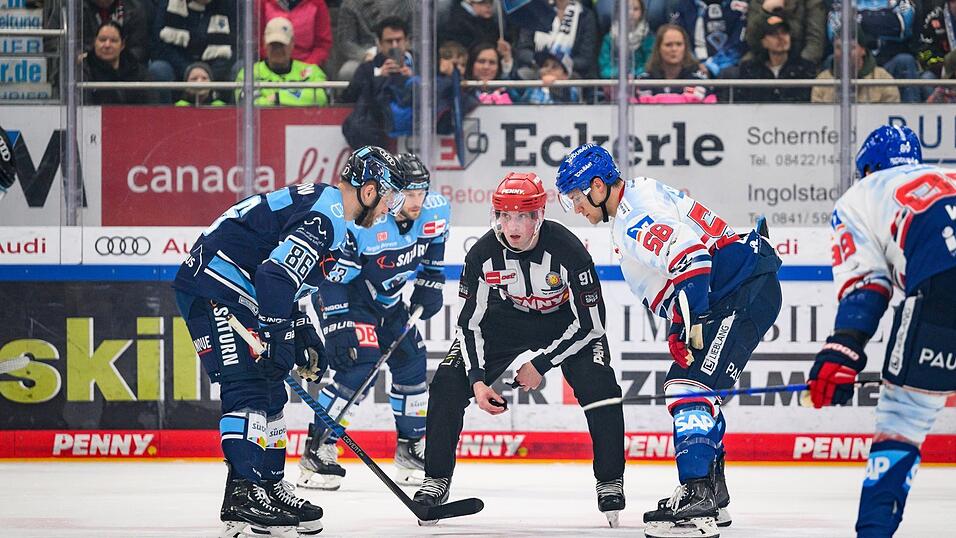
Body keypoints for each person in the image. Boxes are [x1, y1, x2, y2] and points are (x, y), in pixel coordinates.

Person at [172, 146, 408, 537]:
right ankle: (243, 492)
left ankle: (266, 485)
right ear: (369, 191)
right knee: (248, 384)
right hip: (216, 285)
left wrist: (301, 329)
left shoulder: (333, 212)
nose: (390, 209)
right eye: (390, 198)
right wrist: (281, 336)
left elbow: (284, 277)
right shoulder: (328, 215)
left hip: (238, 286)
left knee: (270, 390)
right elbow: (273, 277)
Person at [555, 143, 782, 538]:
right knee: (698, 389)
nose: (576, 206)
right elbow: (683, 266)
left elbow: (691, 257)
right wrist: (681, 323)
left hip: (738, 292)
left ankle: (698, 497)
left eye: (576, 196)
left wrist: (689, 321)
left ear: (597, 185)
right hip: (741, 289)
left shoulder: (632, 217)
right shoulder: (640, 195)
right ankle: (712, 492)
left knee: (686, 387)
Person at [412, 173, 627, 528]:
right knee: (448, 383)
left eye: (523, 216)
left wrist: (540, 364)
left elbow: (592, 325)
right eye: (505, 215)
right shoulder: (482, 254)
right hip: (507, 318)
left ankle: (609, 480)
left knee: (599, 386)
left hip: (565, 320)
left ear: (539, 217)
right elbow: (469, 324)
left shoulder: (570, 250)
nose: (512, 225)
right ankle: (435, 480)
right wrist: (478, 381)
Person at [806, 124, 956, 537]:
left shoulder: (863, 194)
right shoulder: (949, 177)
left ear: (867, 168)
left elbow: (866, 286)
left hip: (945, 285)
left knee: (902, 418)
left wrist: (843, 350)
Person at [298, 153, 449, 490]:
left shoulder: (437, 210)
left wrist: (431, 283)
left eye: (421, 193)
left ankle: (411, 449)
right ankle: (318, 449)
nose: (416, 202)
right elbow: (331, 278)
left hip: (389, 302)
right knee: (358, 368)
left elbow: (436, 247)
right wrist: (337, 324)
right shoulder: (363, 225)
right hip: (350, 299)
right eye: (408, 194)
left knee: (412, 364)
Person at [340, 17, 416, 149]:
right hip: (377, 132)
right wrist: (378, 76)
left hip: (416, 129)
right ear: (380, 44)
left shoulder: (422, 64)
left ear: (407, 41)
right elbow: (348, 97)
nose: (394, 46)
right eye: (389, 41)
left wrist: (414, 79)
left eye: (398, 40)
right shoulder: (368, 68)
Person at [827, 1, 922, 102]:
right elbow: (834, 32)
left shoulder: (898, 2)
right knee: (831, 60)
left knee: (906, 61)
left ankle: (911, 113)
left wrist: (859, 20)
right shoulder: (842, 2)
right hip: (855, 62)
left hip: (890, 60)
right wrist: (884, 19)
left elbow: (902, 27)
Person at [236, 17, 329, 107]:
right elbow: (247, 104)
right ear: (264, 43)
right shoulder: (249, 73)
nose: (277, 50)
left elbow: (321, 97)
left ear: (292, 43)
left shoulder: (311, 72)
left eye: (281, 45)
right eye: (273, 45)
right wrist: (295, 100)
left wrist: (277, 98)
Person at [150, 0, 237, 88]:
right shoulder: (167, 4)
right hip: (178, 70)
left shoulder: (229, 5)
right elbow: (160, 46)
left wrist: (207, 75)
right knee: (159, 69)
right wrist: (188, 71)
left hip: (215, 73)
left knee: (240, 69)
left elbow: (234, 48)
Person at [734, 14, 818, 102]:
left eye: (784, 32)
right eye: (774, 34)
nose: (781, 38)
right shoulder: (750, 69)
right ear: (763, 42)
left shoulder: (804, 68)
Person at [811, 27, 901, 103]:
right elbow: (816, 118)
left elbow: (891, 113)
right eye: (839, 47)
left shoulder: (882, 79)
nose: (844, 52)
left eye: (851, 48)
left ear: (863, 50)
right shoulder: (822, 80)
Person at [515, 0, 599, 80]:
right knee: (522, 74)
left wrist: (560, 68)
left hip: (570, 74)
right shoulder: (535, 13)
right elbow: (523, 49)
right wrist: (541, 64)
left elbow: (585, 58)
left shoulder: (585, 16)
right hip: (537, 69)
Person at [333, 0, 415, 81]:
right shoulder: (350, 3)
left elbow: (417, 37)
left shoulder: (410, 3)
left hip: (403, 53)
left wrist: (404, 51)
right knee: (348, 71)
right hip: (365, 56)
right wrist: (364, 56)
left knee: (422, 67)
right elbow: (346, 42)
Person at [82, 21, 154, 105]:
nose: (107, 45)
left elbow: (150, 107)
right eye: (102, 40)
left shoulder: (137, 72)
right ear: (95, 42)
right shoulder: (83, 71)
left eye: (113, 41)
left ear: (122, 45)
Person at [636, 24, 712, 102]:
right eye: (668, 45)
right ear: (658, 49)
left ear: (685, 48)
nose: (674, 49)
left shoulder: (698, 79)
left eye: (679, 44)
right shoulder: (645, 80)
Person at [746, 0, 826, 67]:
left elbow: (815, 43)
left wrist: (797, 67)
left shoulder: (811, 2)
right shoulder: (757, 2)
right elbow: (751, 39)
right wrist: (765, 12)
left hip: (799, 59)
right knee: (745, 65)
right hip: (764, 58)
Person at [259, 0, 332, 68]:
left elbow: (322, 45)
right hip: (270, 64)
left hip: (307, 67)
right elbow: (256, 42)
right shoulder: (263, 2)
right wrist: (273, 62)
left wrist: (305, 67)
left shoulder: (317, 3)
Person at [598, 0, 655, 78]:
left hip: (641, 83)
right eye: (626, 9)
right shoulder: (609, 38)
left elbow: (650, 65)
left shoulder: (648, 37)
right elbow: (604, 68)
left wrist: (634, 75)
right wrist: (621, 74)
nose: (631, 13)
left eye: (635, 9)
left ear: (642, 13)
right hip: (614, 83)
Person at [693, 0, 749, 79]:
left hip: (730, 69)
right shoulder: (685, 5)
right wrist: (694, 64)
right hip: (692, 67)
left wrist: (711, 66)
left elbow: (738, 45)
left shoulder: (739, 8)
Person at [437, 0, 503, 52]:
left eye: (490, 2)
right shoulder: (457, 24)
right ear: (470, 3)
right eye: (483, 2)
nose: (488, 6)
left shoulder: (491, 24)